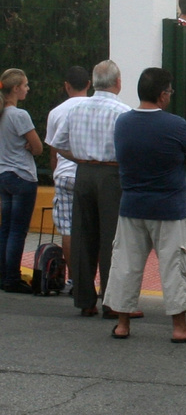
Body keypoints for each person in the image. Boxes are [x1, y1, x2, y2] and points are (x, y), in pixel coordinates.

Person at [104, 67, 186, 342]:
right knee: (174, 266)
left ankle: (122, 323)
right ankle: (179, 327)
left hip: (132, 205)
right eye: (169, 92)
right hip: (168, 207)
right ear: (162, 95)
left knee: (126, 264)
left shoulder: (123, 122)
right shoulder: (176, 125)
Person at [50, 60, 133, 317]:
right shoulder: (123, 111)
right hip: (111, 173)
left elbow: (59, 143)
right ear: (117, 82)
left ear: (94, 82)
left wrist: (81, 158)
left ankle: (85, 300)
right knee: (111, 239)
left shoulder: (77, 109)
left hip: (83, 171)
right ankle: (111, 301)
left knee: (83, 235)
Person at [44, 66, 91, 291]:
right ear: (89, 84)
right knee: (93, 229)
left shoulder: (56, 112)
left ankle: (74, 280)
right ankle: (92, 279)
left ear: (66, 86)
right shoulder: (93, 107)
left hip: (64, 174)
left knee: (68, 229)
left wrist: (56, 175)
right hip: (89, 174)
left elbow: (54, 151)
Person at [0, 68, 43, 293]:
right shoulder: (19, 115)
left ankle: (3, 274)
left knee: (5, 227)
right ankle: (12, 278)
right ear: (16, 89)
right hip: (22, 175)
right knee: (18, 230)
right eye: (25, 85)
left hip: (3, 174)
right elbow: (37, 147)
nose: (27, 88)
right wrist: (29, 146)